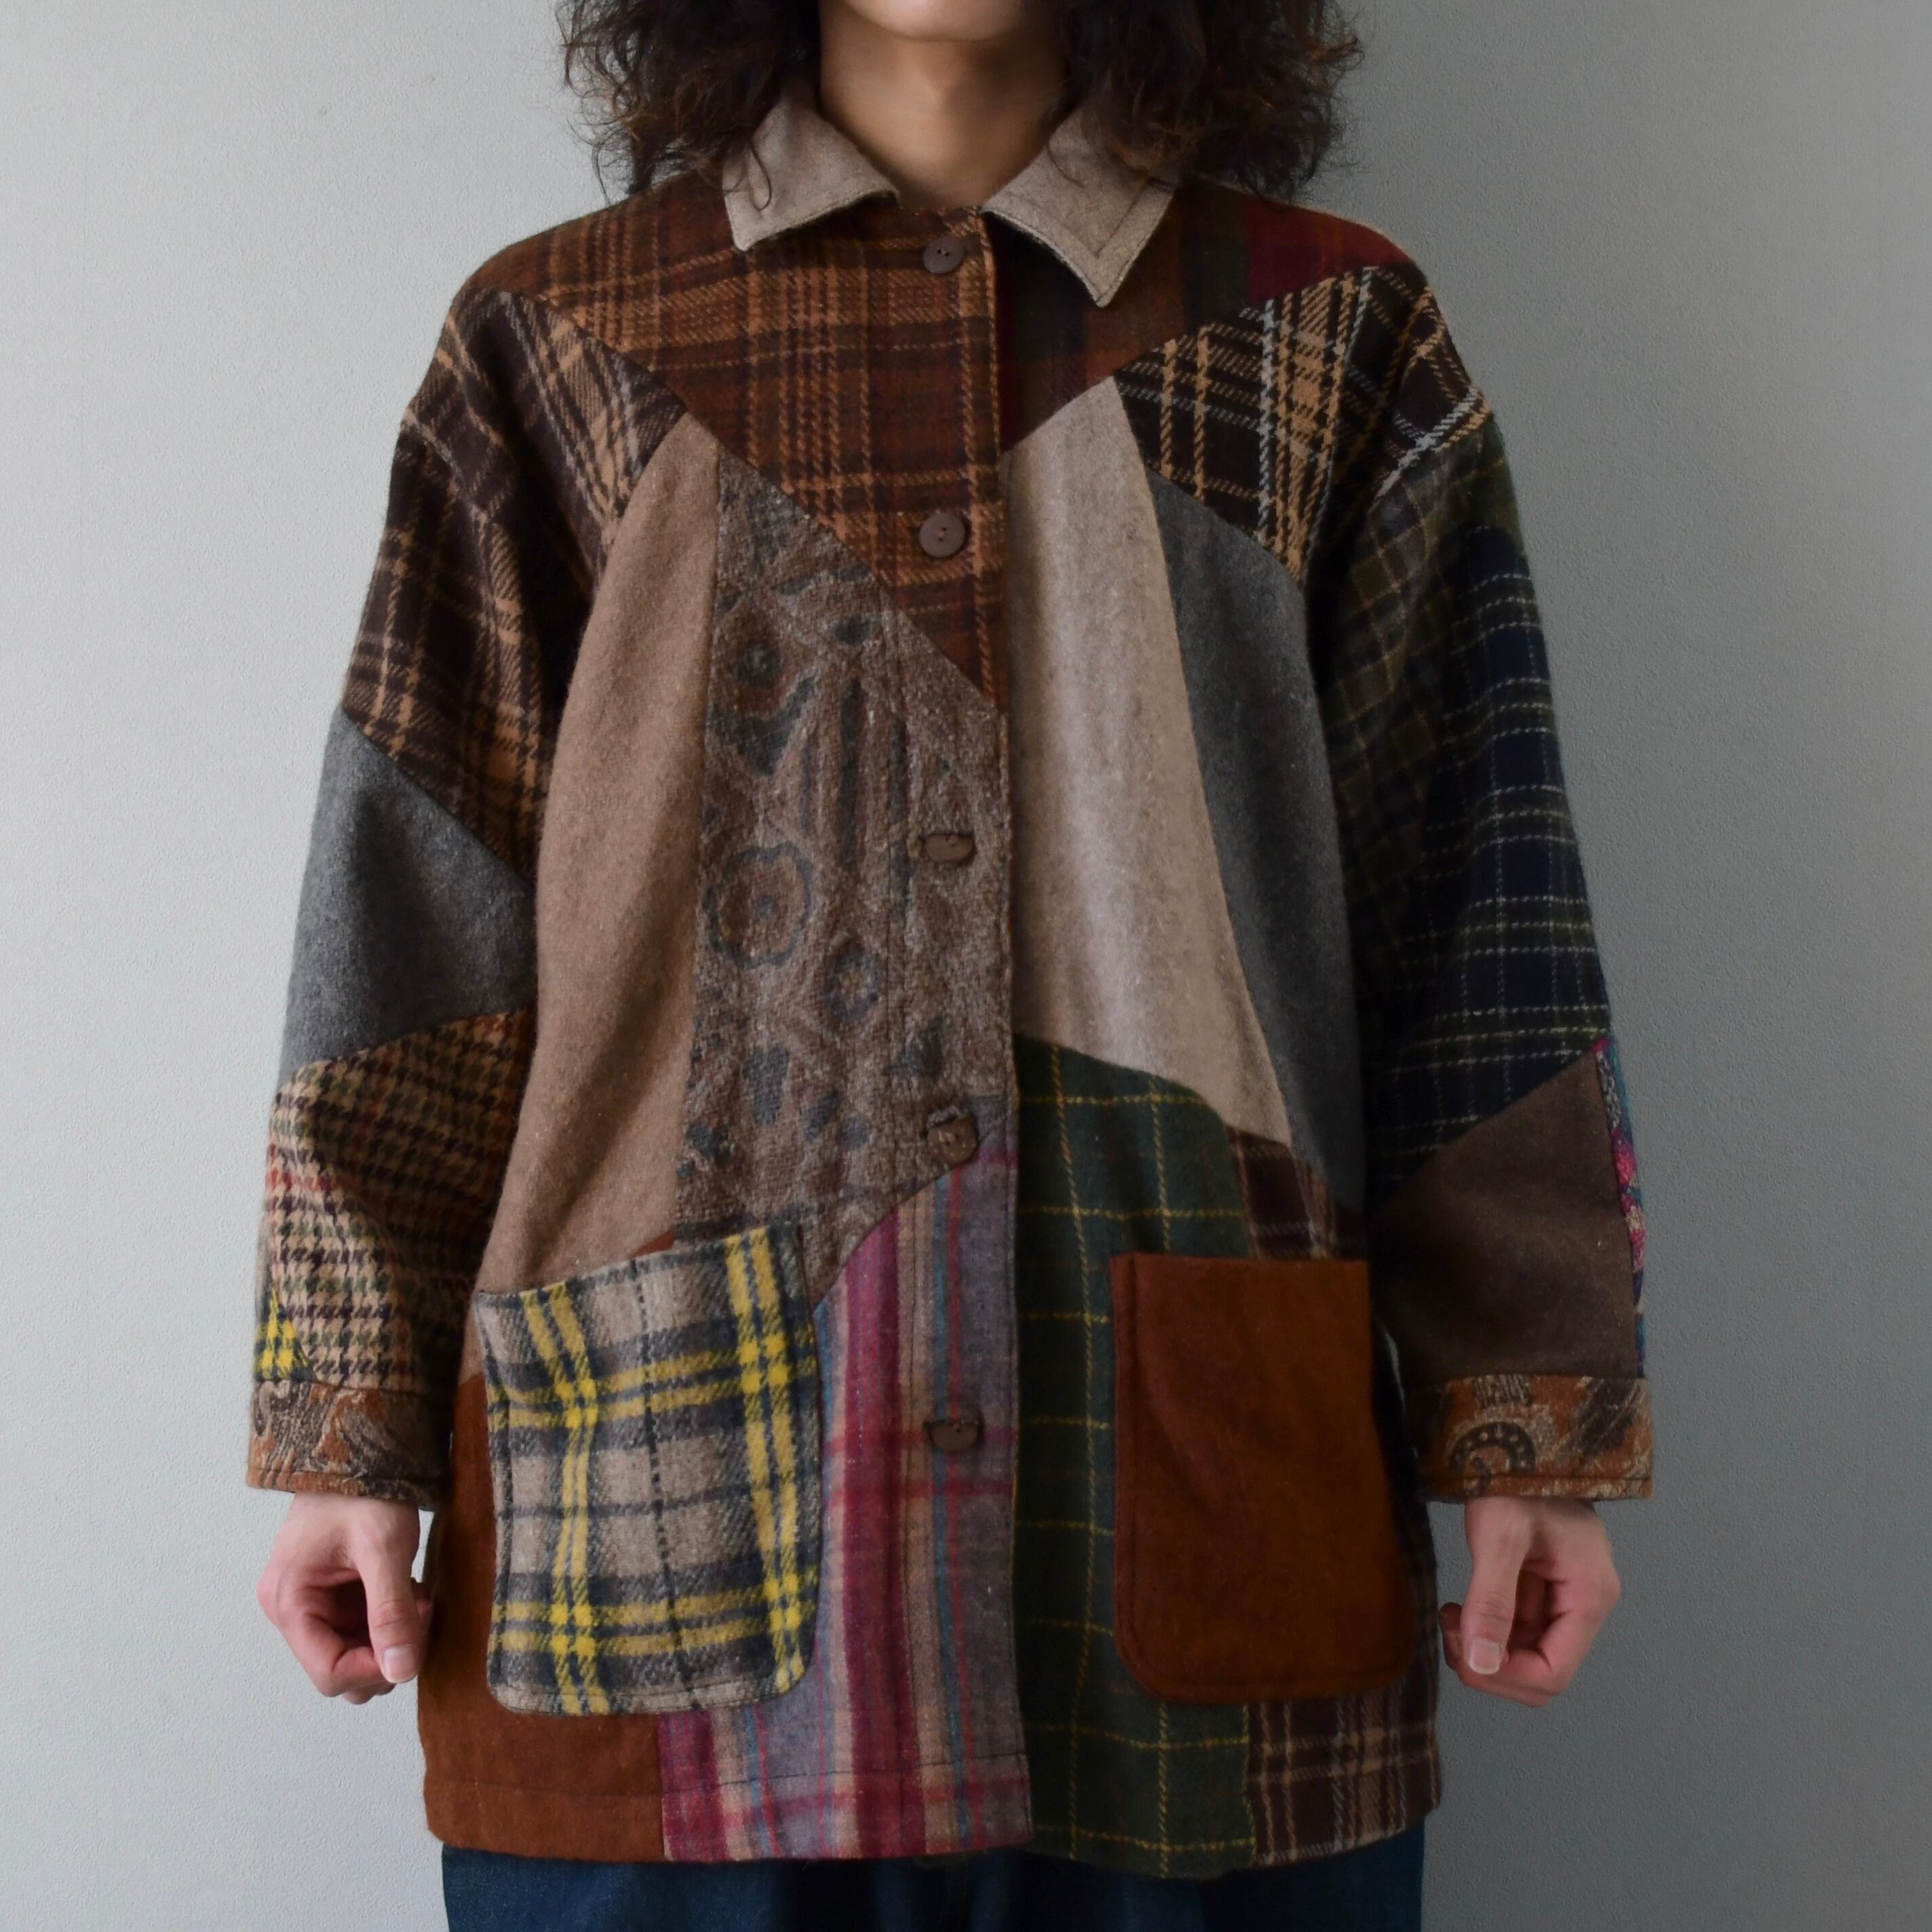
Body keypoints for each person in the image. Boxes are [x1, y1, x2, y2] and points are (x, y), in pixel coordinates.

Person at [250, 2, 1654, 1926]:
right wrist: (348, 1427)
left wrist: (1530, 1423)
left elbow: (1471, 906)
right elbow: (415, 920)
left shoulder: (1328, 328)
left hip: (1199, 1573)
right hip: (655, 1591)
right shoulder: (558, 339)